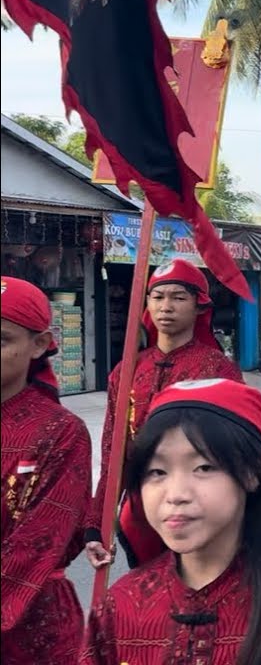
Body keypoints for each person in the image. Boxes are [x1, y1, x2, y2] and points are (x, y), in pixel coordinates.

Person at [81, 379, 261, 664]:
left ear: (253, 471)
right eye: (157, 472)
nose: (176, 494)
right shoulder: (120, 606)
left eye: (203, 467)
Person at [85, 260, 242, 572]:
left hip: (200, 507)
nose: (166, 307)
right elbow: (112, 451)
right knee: (149, 598)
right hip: (142, 510)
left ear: (199, 307)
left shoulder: (218, 370)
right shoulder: (126, 371)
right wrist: (97, 525)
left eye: (178, 298)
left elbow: (236, 450)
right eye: (157, 298)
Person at [0, 277, 92, 664]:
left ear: (39, 344)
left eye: (1, 339)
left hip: (33, 633)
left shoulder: (60, 432)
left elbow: (35, 545)